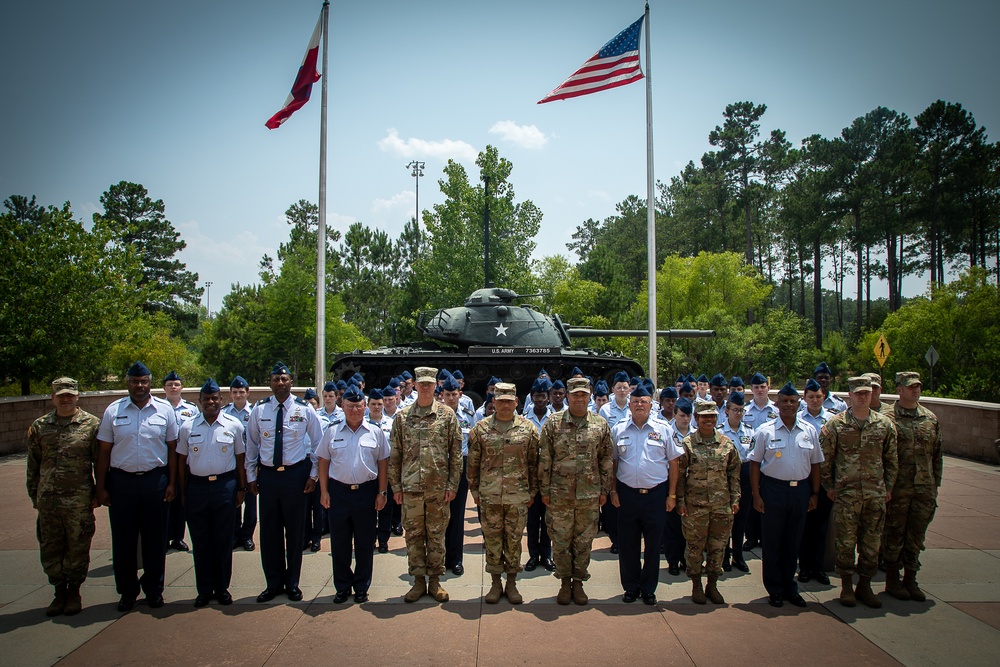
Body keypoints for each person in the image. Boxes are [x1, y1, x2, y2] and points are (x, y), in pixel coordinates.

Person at [95, 361, 178, 612]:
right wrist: (101, 487)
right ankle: (127, 591)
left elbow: (173, 450)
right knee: (124, 541)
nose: (139, 386)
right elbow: (103, 452)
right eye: (134, 381)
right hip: (122, 482)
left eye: (143, 381)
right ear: (127, 383)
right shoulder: (113, 410)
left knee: (156, 539)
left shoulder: (164, 410)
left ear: (150, 383)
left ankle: (154, 589)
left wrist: (173, 482)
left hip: (155, 480)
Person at [246, 362, 326, 603]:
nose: (280, 383)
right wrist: (251, 476)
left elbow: (318, 444)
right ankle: (272, 583)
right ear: (270, 383)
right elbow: (251, 445)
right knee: (269, 533)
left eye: (284, 379)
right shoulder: (259, 411)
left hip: (295, 476)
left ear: (291, 383)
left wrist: (313, 476)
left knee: (295, 532)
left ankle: (292, 583)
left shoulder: (304, 410)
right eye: (275, 379)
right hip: (268, 477)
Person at [820, 376, 897, 608]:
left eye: (867, 393)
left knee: (871, 544)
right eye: (858, 393)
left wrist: (888, 488)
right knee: (845, 542)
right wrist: (829, 487)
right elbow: (825, 460)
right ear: (850, 396)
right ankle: (846, 586)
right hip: (847, 494)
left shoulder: (884, 424)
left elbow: (892, 460)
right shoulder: (836, 424)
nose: (863, 397)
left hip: (875, 494)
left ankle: (865, 585)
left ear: (872, 394)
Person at [26, 377, 100, 617]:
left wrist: (99, 492)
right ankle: (59, 591)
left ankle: (74, 591)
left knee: (78, 546)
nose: (65, 398)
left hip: (78, 499)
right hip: (48, 500)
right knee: (50, 547)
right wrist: (35, 495)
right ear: (53, 398)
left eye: (70, 394)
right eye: (61, 395)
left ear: (78, 396)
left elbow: (99, 462)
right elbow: (33, 465)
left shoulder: (91, 425)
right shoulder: (40, 426)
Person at [388, 366, 462, 603]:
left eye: (431, 383)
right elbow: (395, 455)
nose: (427, 387)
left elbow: (456, 453)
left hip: (438, 488)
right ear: (416, 385)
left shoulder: (447, 416)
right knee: (414, 536)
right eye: (423, 383)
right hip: (410, 488)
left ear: (436, 386)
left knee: (437, 535)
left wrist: (452, 484)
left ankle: (436, 581)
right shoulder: (402, 417)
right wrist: (396, 487)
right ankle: (419, 581)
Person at [539, 377, 614, 606]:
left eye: (584, 394)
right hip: (559, 495)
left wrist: (604, 489)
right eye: (575, 394)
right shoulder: (553, 423)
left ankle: (579, 581)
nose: (580, 398)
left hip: (589, 495)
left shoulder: (600, 424)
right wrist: (544, 490)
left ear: (589, 395)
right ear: (568, 396)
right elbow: (544, 459)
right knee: (561, 541)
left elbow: (606, 459)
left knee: (584, 542)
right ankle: (564, 582)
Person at [749, 382, 824, 608]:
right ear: (778, 403)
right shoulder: (765, 430)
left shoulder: (809, 430)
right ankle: (775, 589)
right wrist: (756, 495)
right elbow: (754, 463)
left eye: (793, 401)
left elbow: (816, 463)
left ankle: (790, 586)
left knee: (794, 541)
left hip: (800, 490)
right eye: (785, 401)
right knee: (773, 542)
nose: (789, 405)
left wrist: (815, 493)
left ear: (798, 403)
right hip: (773, 489)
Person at [176, 378, 247, 607]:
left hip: (224, 486)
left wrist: (242, 488)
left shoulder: (233, 425)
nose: (210, 402)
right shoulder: (188, 427)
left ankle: (222, 588)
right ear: (199, 401)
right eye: (206, 399)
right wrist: (183, 490)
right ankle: (204, 589)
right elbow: (181, 461)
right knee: (201, 539)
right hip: (196, 486)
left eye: (214, 398)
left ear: (221, 399)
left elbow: (240, 459)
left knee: (224, 539)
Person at [316, 385, 389, 604]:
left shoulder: (375, 431)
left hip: (366, 492)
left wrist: (382, 492)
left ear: (365, 406)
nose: (354, 410)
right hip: (338, 491)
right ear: (342, 406)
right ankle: (342, 586)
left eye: (358, 406)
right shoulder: (332, 430)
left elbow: (383, 463)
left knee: (365, 542)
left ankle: (361, 586)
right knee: (340, 542)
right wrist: (324, 491)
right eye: (350, 406)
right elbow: (323, 461)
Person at [467, 382, 539, 604]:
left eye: (509, 401)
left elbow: (535, 464)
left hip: (517, 497)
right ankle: (495, 583)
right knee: (493, 541)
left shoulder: (528, 429)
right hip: (490, 496)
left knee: (514, 541)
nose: (505, 405)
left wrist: (533, 492)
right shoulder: (480, 429)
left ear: (516, 402)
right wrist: (475, 491)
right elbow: (473, 465)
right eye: (501, 401)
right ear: (493, 403)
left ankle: (512, 583)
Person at [610, 384, 681, 605]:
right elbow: (613, 462)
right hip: (627, 494)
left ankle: (649, 588)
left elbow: (674, 462)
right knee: (628, 545)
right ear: (629, 405)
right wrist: (612, 490)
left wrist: (672, 495)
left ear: (652, 404)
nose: (639, 404)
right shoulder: (618, 429)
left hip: (656, 494)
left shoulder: (664, 429)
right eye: (635, 401)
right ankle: (630, 587)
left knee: (653, 545)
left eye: (644, 401)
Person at [883, 371, 943, 603]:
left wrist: (935, 485)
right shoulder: (886, 418)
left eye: (917, 386)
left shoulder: (930, 418)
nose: (916, 390)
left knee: (916, 534)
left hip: (923, 489)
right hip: (897, 488)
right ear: (899, 390)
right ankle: (892, 577)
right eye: (911, 387)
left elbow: (937, 455)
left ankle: (911, 577)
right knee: (894, 533)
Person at [676, 401, 741, 605]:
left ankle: (712, 585)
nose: (708, 420)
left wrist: (735, 499)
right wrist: (680, 501)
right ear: (696, 419)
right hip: (695, 506)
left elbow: (734, 474)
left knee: (718, 546)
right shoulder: (687, 444)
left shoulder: (726, 444)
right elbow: (679, 475)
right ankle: (696, 584)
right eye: (704, 416)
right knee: (694, 547)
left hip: (721, 505)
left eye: (712, 416)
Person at [441, 376, 475, 576]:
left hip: (461, 466)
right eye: (448, 394)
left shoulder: (468, 416)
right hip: (439, 467)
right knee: (437, 516)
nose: (451, 398)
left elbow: (473, 442)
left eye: (454, 394)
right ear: (442, 395)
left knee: (457, 515)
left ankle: (455, 559)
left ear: (460, 394)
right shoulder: (436, 415)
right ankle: (438, 558)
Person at [163, 370, 198, 553]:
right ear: (164, 388)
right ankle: (164, 536)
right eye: (170, 385)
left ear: (182, 387)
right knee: (166, 498)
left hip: (184, 459)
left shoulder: (191, 409)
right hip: (166, 459)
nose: (173, 387)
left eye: (176, 384)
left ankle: (178, 537)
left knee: (182, 498)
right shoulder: (159, 407)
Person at [719, 391, 753, 573]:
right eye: (735, 410)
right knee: (725, 519)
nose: (738, 413)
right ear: (727, 411)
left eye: (741, 410)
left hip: (744, 476)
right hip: (725, 478)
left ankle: (738, 556)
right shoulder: (720, 432)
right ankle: (725, 556)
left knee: (741, 520)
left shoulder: (750, 431)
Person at [524, 377, 555, 572]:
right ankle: (533, 556)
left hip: (551, 476)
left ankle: (547, 555)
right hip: (531, 476)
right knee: (532, 519)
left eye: (543, 396)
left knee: (549, 518)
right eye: (536, 396)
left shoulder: (555, 419)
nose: (540, 400)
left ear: (548, 398)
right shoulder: (525, 419)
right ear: (532, 397)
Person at [224, 376, 257, 551]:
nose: (238, 395)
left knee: (251, 501)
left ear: (247, 393)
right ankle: (235, 534)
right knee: (233, 500)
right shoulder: (224, 413)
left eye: (241, 392)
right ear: (230, 394)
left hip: (249, 463)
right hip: (231, 463)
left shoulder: (255, 412)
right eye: (235, 392)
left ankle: (247, 536)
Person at [664, 397, 695, 574]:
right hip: (672, 481)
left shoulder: (697, 433)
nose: (685, 419)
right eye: (682, 415)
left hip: (692, 483)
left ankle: (686, 558)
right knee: (673, 524)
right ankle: (673, 560)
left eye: (688, 415)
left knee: (690, 523)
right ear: (674, 415)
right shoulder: (666, 432)